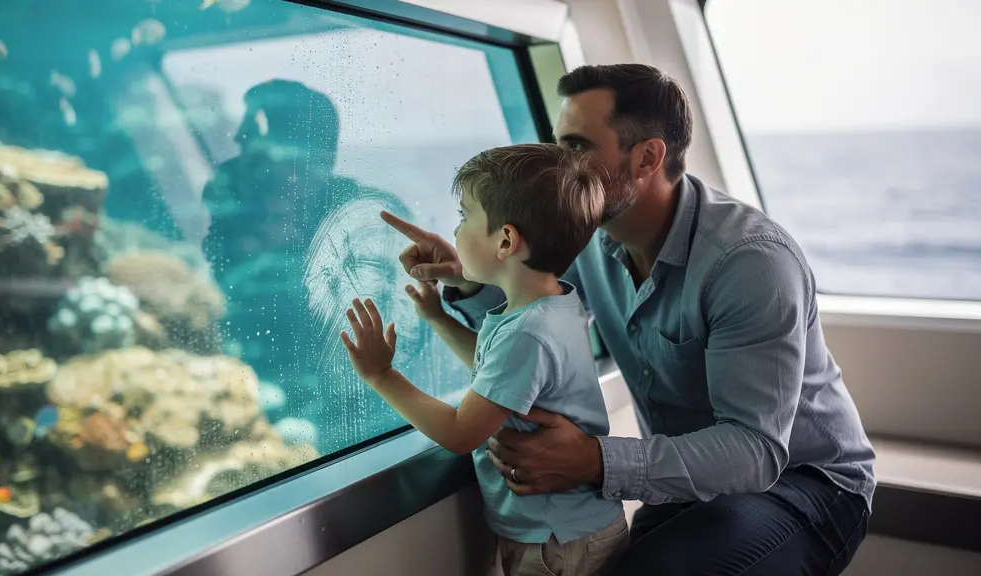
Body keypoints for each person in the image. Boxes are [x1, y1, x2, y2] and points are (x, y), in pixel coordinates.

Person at [381, 64, 876, 575]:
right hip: (684, 486)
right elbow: (526, 323)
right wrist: (463, 277)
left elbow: (754, 452)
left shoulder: (750, 262)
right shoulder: (589, 234)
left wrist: (594, 460)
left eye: (575, 147)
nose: (559, 163)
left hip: (805, 483)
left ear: (647, 157)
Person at [342, 144, 630, 576]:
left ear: (506, 240)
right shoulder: (552, 304)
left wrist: (381, 375)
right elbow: (495, 377)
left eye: (464, 218)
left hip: (558, 544)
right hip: (566, 531)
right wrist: (438, 317)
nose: (455, 233)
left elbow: (461, 432)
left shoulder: (528, 332)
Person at [201, 79, 440, 452]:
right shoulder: (240, 214)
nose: (241, 145)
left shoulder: (366, 223)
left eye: (256, 137)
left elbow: (367, 363)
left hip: (352, 433)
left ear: (310, 156)